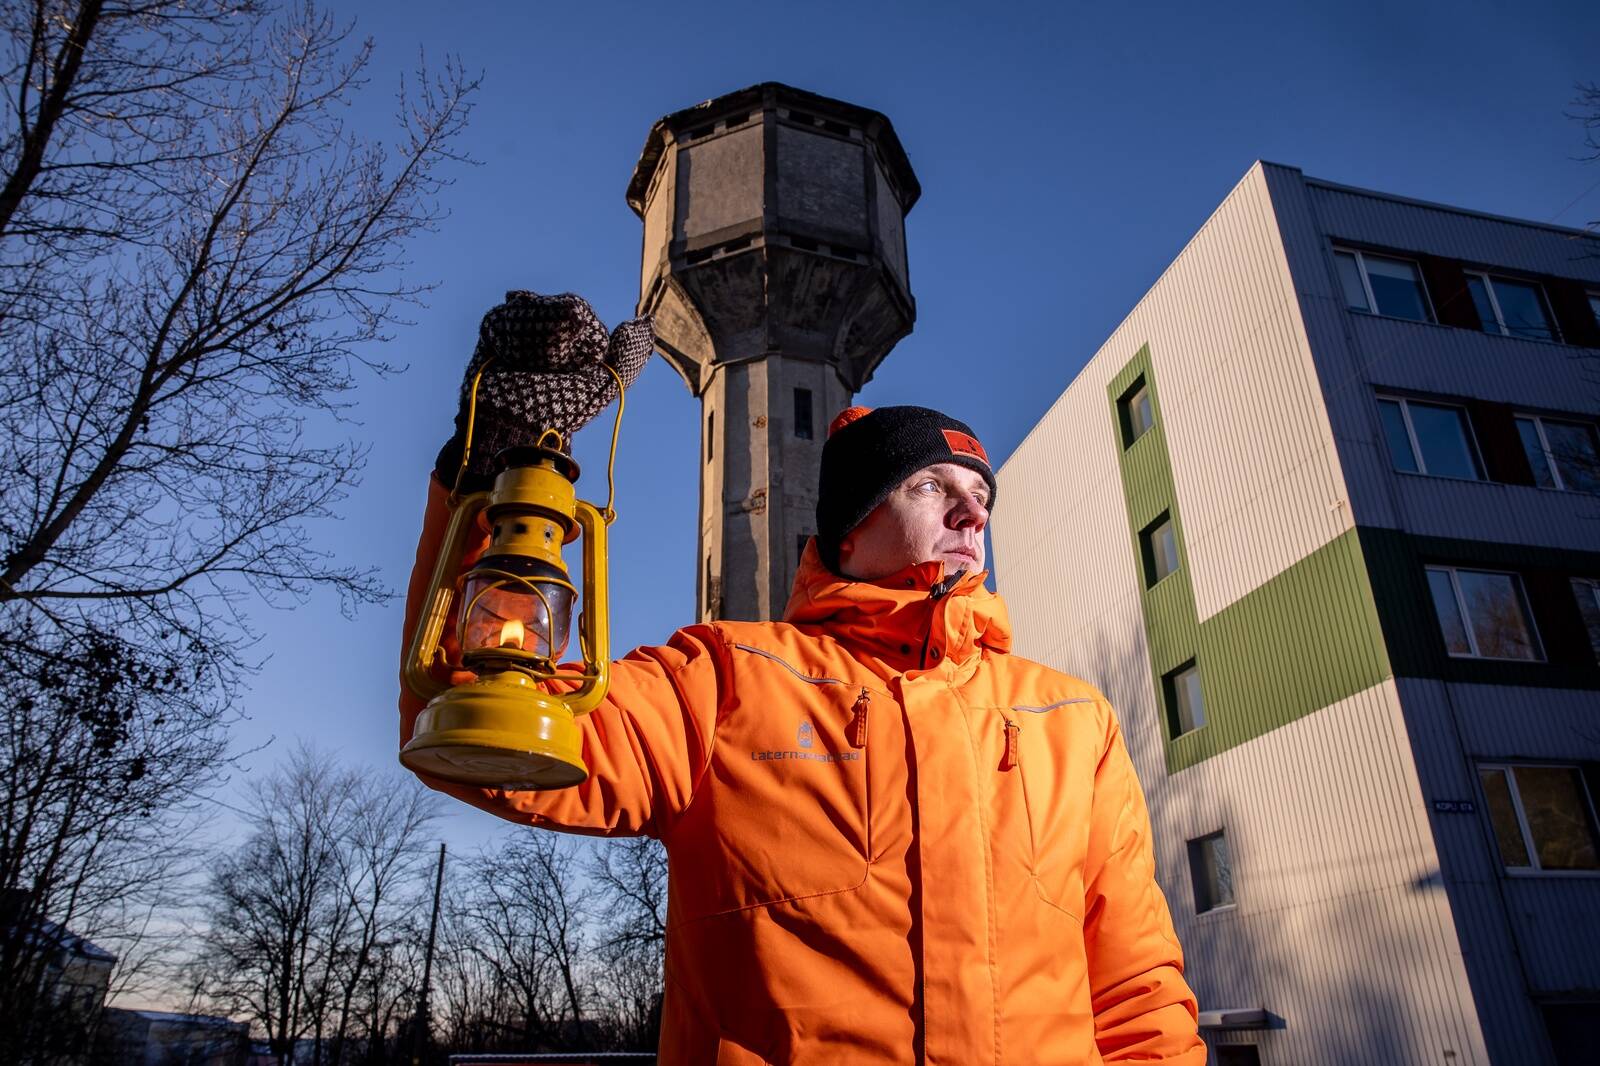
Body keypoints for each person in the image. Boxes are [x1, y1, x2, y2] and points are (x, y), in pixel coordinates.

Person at [399, 293, 1204, 1065]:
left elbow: (1137, 988)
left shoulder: (1072, 718)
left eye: (981, 495)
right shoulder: (723, 684)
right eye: (931, 487)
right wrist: (500, 472)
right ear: (849, 530)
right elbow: (476, 713)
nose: (972, 515)